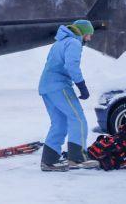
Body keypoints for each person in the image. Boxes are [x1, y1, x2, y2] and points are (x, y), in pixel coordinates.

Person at [38, 19, 100, 171]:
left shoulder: (59, 43)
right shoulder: (73, 43)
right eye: (89, 35)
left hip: (46, 87)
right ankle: (77, 158)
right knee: (78, 119)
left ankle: (49, 161)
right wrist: (82, 86)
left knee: (59, 123)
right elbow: (71, 66)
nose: (90, 38)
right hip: (59, 86)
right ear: (83, 33)